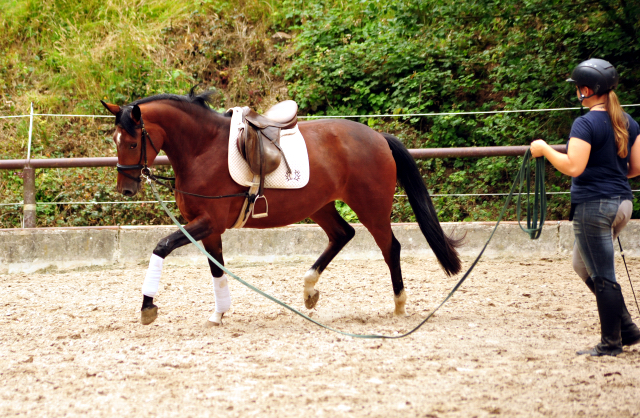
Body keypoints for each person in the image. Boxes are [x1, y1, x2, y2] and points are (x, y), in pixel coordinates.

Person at [530, 58, 640, 356]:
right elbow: (635, 167)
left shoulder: (586, 123)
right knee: (582, 264)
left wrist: (544, 150)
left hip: (594, 206)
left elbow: (573, 166)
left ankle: (611, 343)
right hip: (623, 203)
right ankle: (627, 327)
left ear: (587, 90)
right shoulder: (628, 121)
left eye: (579, 88)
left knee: (603, 274)